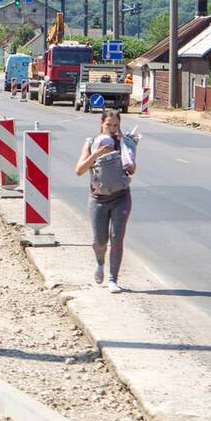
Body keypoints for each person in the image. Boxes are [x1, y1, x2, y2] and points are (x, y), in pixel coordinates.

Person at [74, 109, 137, 293]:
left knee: (117, 238)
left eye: (115, 125)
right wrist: (97, 154)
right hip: (98, 199)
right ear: (102, 123)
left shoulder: (123, 143)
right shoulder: (91, 142)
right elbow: (79, 170)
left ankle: (113, 279)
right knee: (99, 241)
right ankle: (100, 262)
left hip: (121, 197)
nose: (112, 128)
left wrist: (128, 160)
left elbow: (132, 170)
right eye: (108, 124)